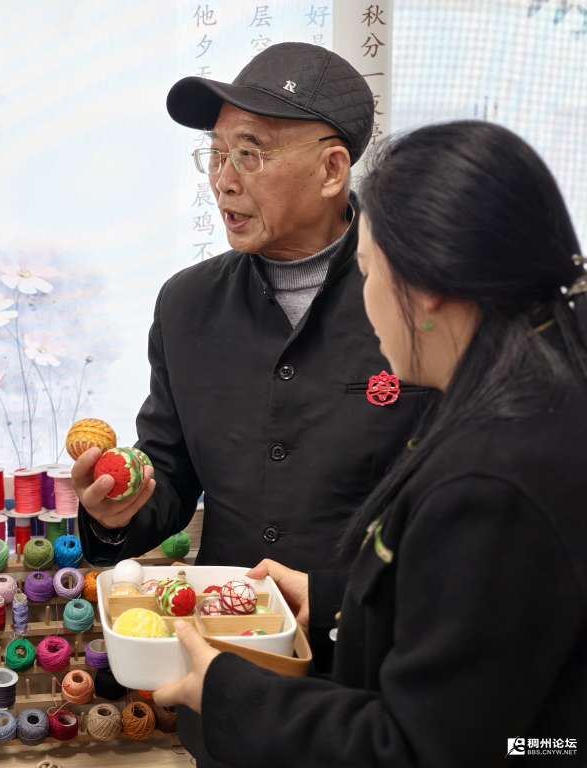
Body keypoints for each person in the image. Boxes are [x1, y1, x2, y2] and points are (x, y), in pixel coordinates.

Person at [152, 120, 587, 766]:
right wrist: (335, 600)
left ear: (429, 290)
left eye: (367, 272)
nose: (366, 303)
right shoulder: (535, 401)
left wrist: (227, 691)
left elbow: (416, 749)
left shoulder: (492, 478)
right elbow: (475, 632)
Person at [74, 42, 433, 765]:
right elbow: (168, 471)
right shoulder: (187, 306)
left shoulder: (418, 300)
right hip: (224, 684)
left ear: (332, 170)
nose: (223, 180)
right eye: (215, 155)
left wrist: (343, 596)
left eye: (250, 154)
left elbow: (451, 517)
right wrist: (120, 509)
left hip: (368, 690)